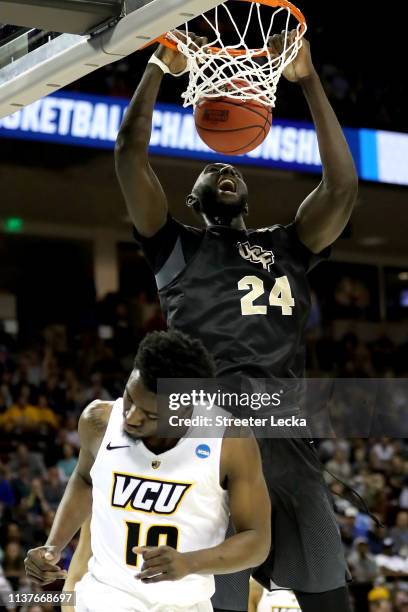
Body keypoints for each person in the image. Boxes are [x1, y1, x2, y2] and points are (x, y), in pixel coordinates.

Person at [111, 24, 358, 612]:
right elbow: (128, 155)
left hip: (284, 436)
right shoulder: (176, 247)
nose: (227, 174)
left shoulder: (291, 245)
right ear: (193, 198)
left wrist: (307, 80)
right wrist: (156, 69)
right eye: (212, 173)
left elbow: (343, 187)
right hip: (208, 440)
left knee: (332, 600)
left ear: (246, 197)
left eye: (234, 174)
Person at [24, 330, 270, 612]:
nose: (131, 417)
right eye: (130, 398)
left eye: (150, 414)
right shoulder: (98, 422)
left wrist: (190, 562)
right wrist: (53, 545)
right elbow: (83, 480)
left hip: (184, 605)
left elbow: (257, 541)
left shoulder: (229, 441)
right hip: (105, 597)